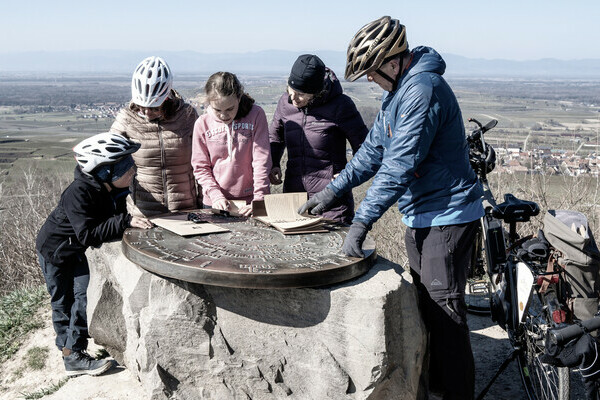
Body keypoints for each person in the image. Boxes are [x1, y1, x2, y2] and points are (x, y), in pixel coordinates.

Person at [299, 16, 484, 400]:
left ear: (393, 60)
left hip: (447, 214)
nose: (368, 78)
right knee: (427, 307)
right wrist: (332, 191)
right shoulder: (398, 90)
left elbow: (399, 164)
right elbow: (372, 152)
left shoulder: (422, 90)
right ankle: (435, 385)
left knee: (445, 314)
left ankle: (456, 393)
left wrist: (361, 221)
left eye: (371, 70)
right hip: (422, 212)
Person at [36, 132, 153, 376]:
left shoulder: (112, 188)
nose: (132, 169)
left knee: (81, 297)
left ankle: (70, 350)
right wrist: (126, 221)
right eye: (124, 165)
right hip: (55, 252)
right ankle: (70, 353)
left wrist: (128, 221)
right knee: (63, 301)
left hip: (75, 250)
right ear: (103, 172)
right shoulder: (78, 193)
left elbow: (108, 223)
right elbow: (88, 234)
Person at [269, 54, 368, 224]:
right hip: (294, 197)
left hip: (332, 201)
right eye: (291, 91)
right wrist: (274, 163)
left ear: (316, 92)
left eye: (300, 94)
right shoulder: (285, 103)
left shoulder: (341, 106)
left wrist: (347, 176)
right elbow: (275, 137)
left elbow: (365, 149)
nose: (293, 99)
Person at [110, 56, 200, 217]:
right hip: (143, 212)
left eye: (154, 108)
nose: (146, 113)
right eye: (141, 107)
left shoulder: (187, 116)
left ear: (167, 100)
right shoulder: (126, 118)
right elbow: (110, 158)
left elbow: (203, 160)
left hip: (185, 208)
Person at [191, 72, 271, 216]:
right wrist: (215, 195)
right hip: (215, 202)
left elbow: (261, 161)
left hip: (250, 201)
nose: (223, 115)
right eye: (217, 110)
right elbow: (200, 167)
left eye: (229, 109)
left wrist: (259, 199)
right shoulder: (202, 123)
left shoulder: (256, 115)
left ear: (239, 98)